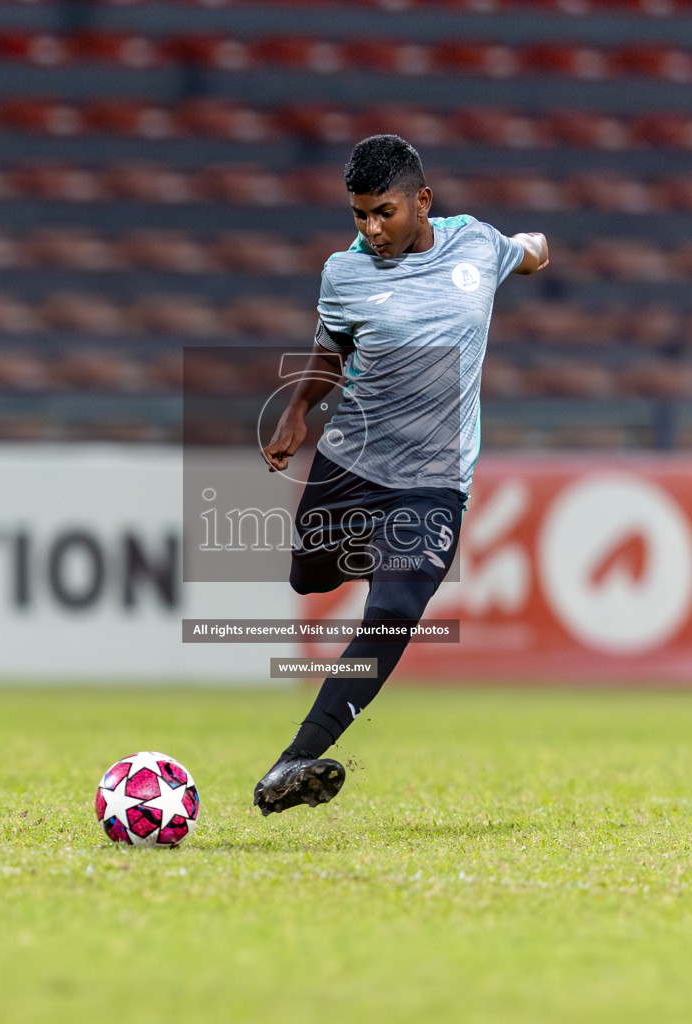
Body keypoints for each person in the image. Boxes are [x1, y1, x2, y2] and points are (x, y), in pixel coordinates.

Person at [252, 134, 550, 815]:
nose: (371, 229)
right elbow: (330, 352)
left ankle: (295, 760)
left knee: (392, 611)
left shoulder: (476, 245)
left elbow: (531, 248)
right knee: (310, 576)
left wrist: (532, 252)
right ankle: (387, 557)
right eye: (358, 215)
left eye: (383, 212)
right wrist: (298, 410)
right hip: (349, 463)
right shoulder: (344, 273)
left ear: (422, 201)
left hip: (433, 480)